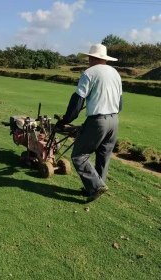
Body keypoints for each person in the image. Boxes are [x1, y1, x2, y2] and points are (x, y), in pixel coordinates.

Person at [56, 43, 123, 202]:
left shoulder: (89, 73)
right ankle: (94, 188)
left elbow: (77, 101)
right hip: (114, 120)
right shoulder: (115, 73)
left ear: (92, 57)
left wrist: (65, 120)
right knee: (103, 156)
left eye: (89, 57)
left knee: (79, 154)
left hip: (98, 121)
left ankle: (96, 186)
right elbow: (120, 104)